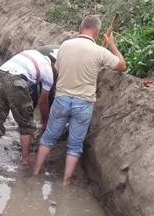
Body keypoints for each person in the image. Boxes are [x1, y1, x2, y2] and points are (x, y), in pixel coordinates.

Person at [33, 16, 127, 185]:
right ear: (97, 33)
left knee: (48, 138)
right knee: (75, 146)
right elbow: (122, 66)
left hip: (61, 99)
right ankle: (65, 182)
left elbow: (57, 68)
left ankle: (36, 171)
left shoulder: (65, 46)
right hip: (83, 104)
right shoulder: (100, 51)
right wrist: (112, 45)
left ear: (80, 27)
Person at [0, 45, 59, 166]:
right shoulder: (48, 72)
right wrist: (45, 122)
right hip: (16, 81)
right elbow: (43, 101)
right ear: (54, 61)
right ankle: (26, 159)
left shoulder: (31, 53)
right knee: (26, 125)